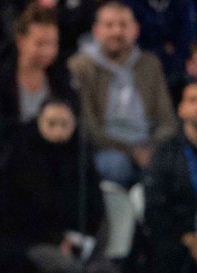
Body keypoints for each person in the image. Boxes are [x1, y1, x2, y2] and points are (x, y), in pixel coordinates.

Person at [0, 97, 109, 273]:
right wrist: (57, 239)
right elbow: (13, 211)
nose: (58, 131)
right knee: (66, 270)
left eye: (65, 124)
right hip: (31, 240)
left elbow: (94, 207)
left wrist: (78, 237)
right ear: (39, 123)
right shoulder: (22, 156)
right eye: (51, 123)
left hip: (77, 240)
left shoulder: (80, 156)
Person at [67, 0, 176, 187]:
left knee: (175, 165)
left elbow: (167, 120)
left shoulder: (150, 64)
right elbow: (88, 126)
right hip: (106, 148)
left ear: (136, 30)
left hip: (149, 145)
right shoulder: (80, 67)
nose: (116, 32)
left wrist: (151, 148)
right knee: (114, 166)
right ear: (96, 31)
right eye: (109, 25)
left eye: (123, 25)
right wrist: (131, 151)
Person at [142, 81, 197, 273]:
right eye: (194, 100)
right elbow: (155, 204)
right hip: (176, 235)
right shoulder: (166, 152)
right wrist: (186, 234)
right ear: (181, 109)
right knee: (165, 257)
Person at [0, 6, 77, 148]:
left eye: (52, 44)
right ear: (21, 41)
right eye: (40, 44)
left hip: (57, 153)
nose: (48, 51)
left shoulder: (61, 75)